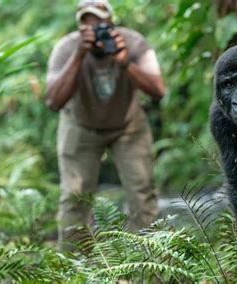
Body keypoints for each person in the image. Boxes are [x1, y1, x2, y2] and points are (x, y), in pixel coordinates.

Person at [46, 0, 166, 250]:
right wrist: (79, 55)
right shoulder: (67, 48)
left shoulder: (134, 43)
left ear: (112, 24)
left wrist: (124, 62)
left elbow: (158, 90)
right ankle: (72, 269)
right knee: (74, 198)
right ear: (79, 29)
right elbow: (54, 101)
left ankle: (149, 266)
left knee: (142, 193)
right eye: (88, 28)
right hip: (80, 125)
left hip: (128, 125)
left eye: (100, 25)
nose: (95, 33)